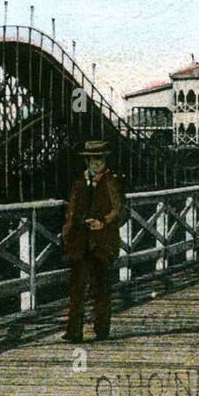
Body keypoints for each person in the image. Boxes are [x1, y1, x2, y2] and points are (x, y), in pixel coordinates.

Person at [61, 140, 124, 342]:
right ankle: (74, 331)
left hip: (102, 241)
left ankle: (101, 329)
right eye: (94, 159)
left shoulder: (112, 181)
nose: (98, 163)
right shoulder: (79, 182)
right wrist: (68, 235)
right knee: (77, 288)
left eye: (101, 158)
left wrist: (104, 222)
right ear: (87, 160)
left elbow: (120, 210)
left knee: (101, 287)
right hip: (80, 240)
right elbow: (71, 212)